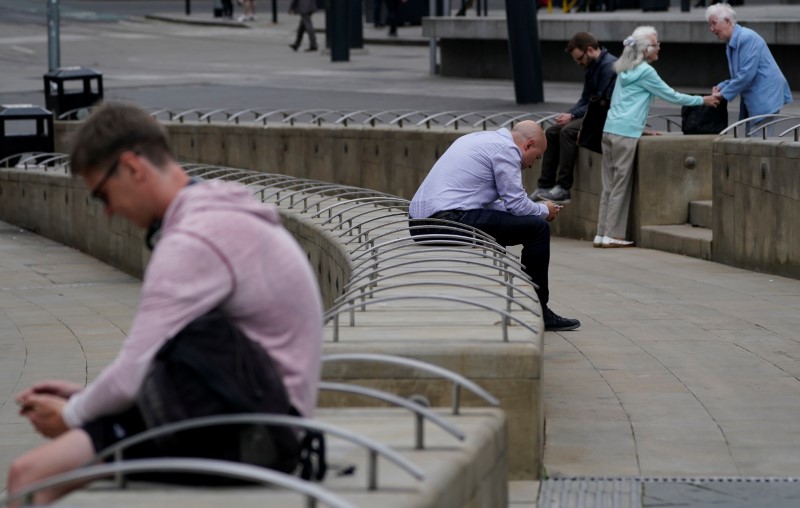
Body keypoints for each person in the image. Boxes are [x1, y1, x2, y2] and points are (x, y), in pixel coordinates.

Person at [7, 102, 323, 504]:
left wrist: (69, 415)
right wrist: (86, 396)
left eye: (102, 194)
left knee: (28, 476)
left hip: (250, 434)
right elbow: (152, 364)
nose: (106, 212)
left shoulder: (192, 240)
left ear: (133, 168)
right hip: (262, 413)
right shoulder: (218, 210)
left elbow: (130, 376)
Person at [408, 121, 581, 332]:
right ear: (528, 144)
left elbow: (493, 205)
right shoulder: (506, 150)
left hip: (419, 224)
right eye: (535, 157)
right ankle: (538, 309)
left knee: (502, 226)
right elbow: (517, 204)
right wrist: (545, 211)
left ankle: (504, 301)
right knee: (538, 229)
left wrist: (537, 208)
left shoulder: (478, 139)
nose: (531, 165)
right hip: (447, 220)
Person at [596, 27, 719, 248]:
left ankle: (600, 234)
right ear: (645, 49)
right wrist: (703, 100)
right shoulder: (645, 72)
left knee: (609, 185)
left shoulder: (624, 69)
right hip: (625, 134)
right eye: (656, 43)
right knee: (620, 186)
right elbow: (671, 95)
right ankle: (612, 235)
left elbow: (618, 102)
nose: (659, 46)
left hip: (610, 129)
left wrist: (639, 128)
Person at [531, 32, 617, 204]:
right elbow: (585, 99)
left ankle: (563, 188)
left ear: (590, 50)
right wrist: (569, 114)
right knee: (552, 131)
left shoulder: (609, 66)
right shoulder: (591, 66)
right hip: (594, 112)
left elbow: (601, 100)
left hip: (606, 115)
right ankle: (545, 185)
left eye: (579, 58)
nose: (578, 63)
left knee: (568, 132)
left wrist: (573, 116)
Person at [705, 4, 792, 135]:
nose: (711, 29)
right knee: (753, 139)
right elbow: (741, 75)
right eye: (709, 25)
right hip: (759, 96)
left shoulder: (747, 38)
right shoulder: (732, 42)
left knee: (759, 143)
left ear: (727, 21)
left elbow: (746, 75)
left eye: (714, 23)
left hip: (765, 96)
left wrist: (722, 94)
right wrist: (722, 86)